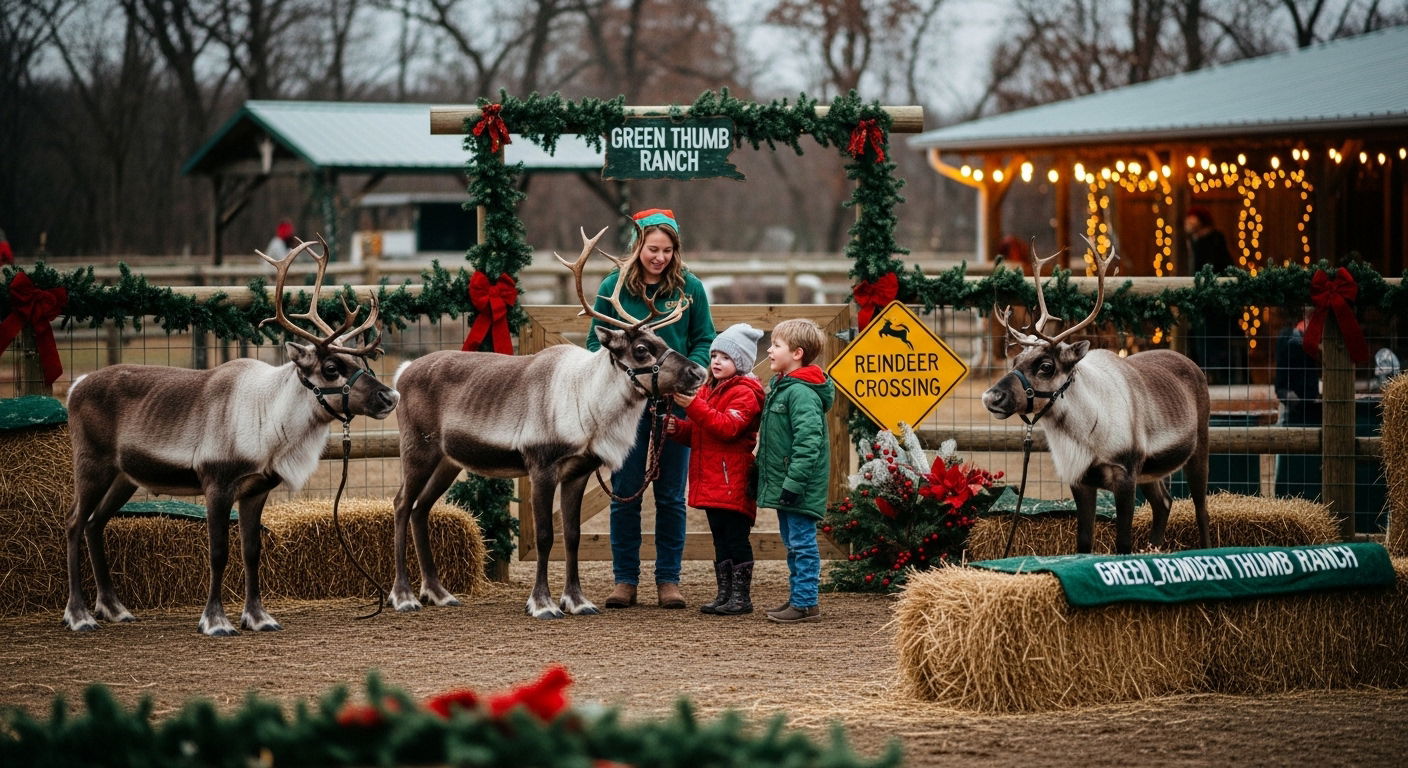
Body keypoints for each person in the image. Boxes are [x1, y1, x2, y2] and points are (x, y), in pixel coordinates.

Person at [586, 208, 715, 610]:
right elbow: (597, 344)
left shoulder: (690, 287)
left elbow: (703, 338)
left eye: (667, 250)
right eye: (652, 248)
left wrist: (694, 373)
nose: (659, 257)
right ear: (637, 245)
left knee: (671, 496)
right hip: (627, 406)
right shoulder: (613, 285)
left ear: (676, 251)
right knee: (625, 492)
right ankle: (625, 579)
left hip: (674, 404)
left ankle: (668, 579)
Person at [666, 323, 766, 616]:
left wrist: (694, 406)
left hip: (731, 479)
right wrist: (678, 428)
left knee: (736, 539)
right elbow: (702, 432)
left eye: (725, 357)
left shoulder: (746, 394)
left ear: (742, 362)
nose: (716, 362)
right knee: (720, 540)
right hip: (713, 481)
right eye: (714, 356)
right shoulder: (711, 390)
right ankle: (725, 594)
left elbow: (727, 428)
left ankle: (741, 597)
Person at [756, 318, 835, 624]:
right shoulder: (783, 386)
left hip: (798, 485)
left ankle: (805, 603)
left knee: (802, 543)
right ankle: (799, 598)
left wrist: (793, 483)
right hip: (786, 483)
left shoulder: (801, 394)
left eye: (776, 345)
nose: (770, 351)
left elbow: (808, 442)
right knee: (793, 543)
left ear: (797, 353)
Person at [1184, 206, 1246, 384]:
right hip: (1206, 307)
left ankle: (1217, 378)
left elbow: (1211, 269)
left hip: (1216, 308)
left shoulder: (1212, 241)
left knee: (1214, 345)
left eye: (1191, 219)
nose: (1187, 223)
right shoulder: (1195, 243)